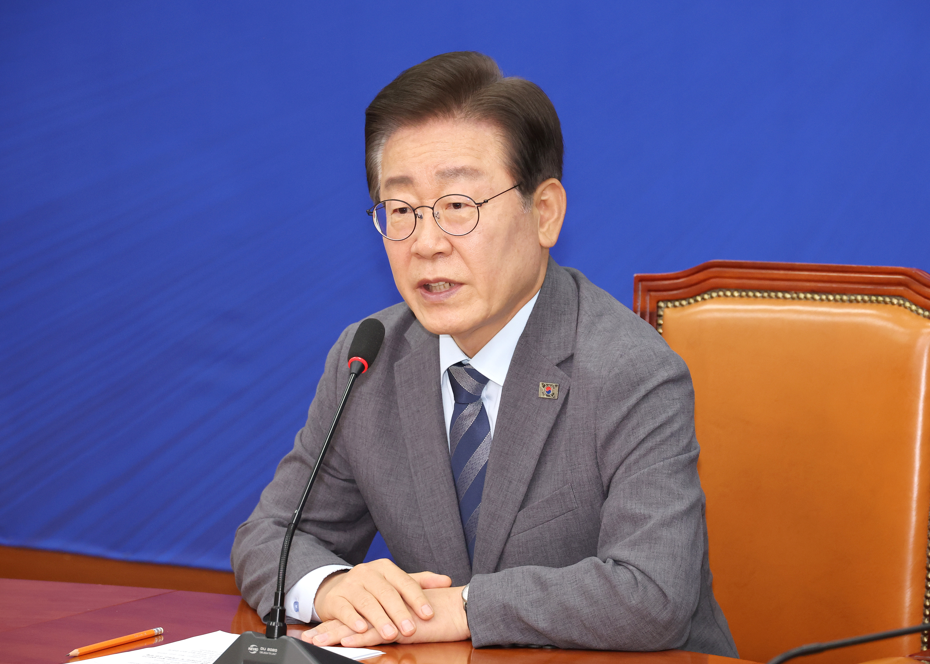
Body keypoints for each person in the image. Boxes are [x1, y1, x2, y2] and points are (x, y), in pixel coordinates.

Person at [231, 51, 737, 656]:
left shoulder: (629, 370)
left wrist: (463, 607)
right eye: (401, 211)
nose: (426, 243)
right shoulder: (368, 359)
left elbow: (652, 594)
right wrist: (331, 586)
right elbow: (270, 536)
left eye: (458, 206)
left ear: (544, 214)